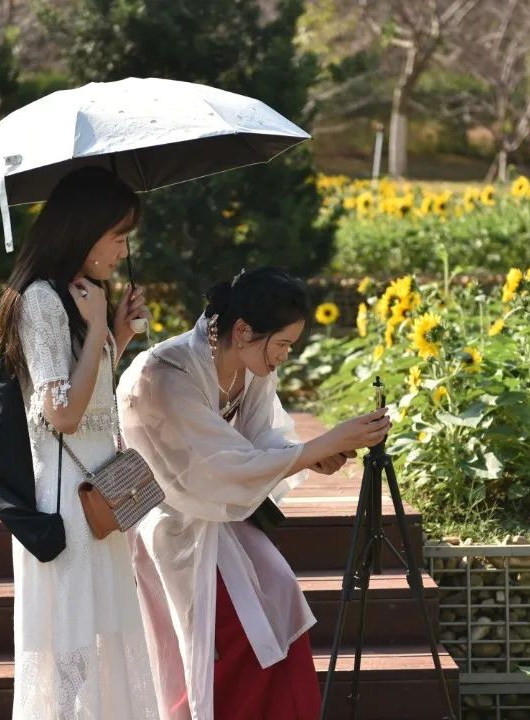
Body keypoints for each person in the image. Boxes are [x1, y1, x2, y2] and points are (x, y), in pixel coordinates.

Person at [118, 267, 391, 720]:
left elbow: (259, 440)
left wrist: (310, 455)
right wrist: (317, 446)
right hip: (172, 523)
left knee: (279, 596)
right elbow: (214, 468)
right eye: (281, 344)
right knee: (227, 634)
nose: (284, 356)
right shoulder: (163, 376)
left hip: (222, 516)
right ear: (242, 330)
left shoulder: (253, 365)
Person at [0, 166, 159, 720]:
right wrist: (98, 325)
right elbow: (63, 413)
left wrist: (114, 338)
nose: (124, 248)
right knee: (71, 649)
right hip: (68, 503)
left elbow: (89, 397)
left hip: (99, 496)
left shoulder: (77, 295)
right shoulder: (42, 301)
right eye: (118, 235)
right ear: (85, 230)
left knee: (99, 635)